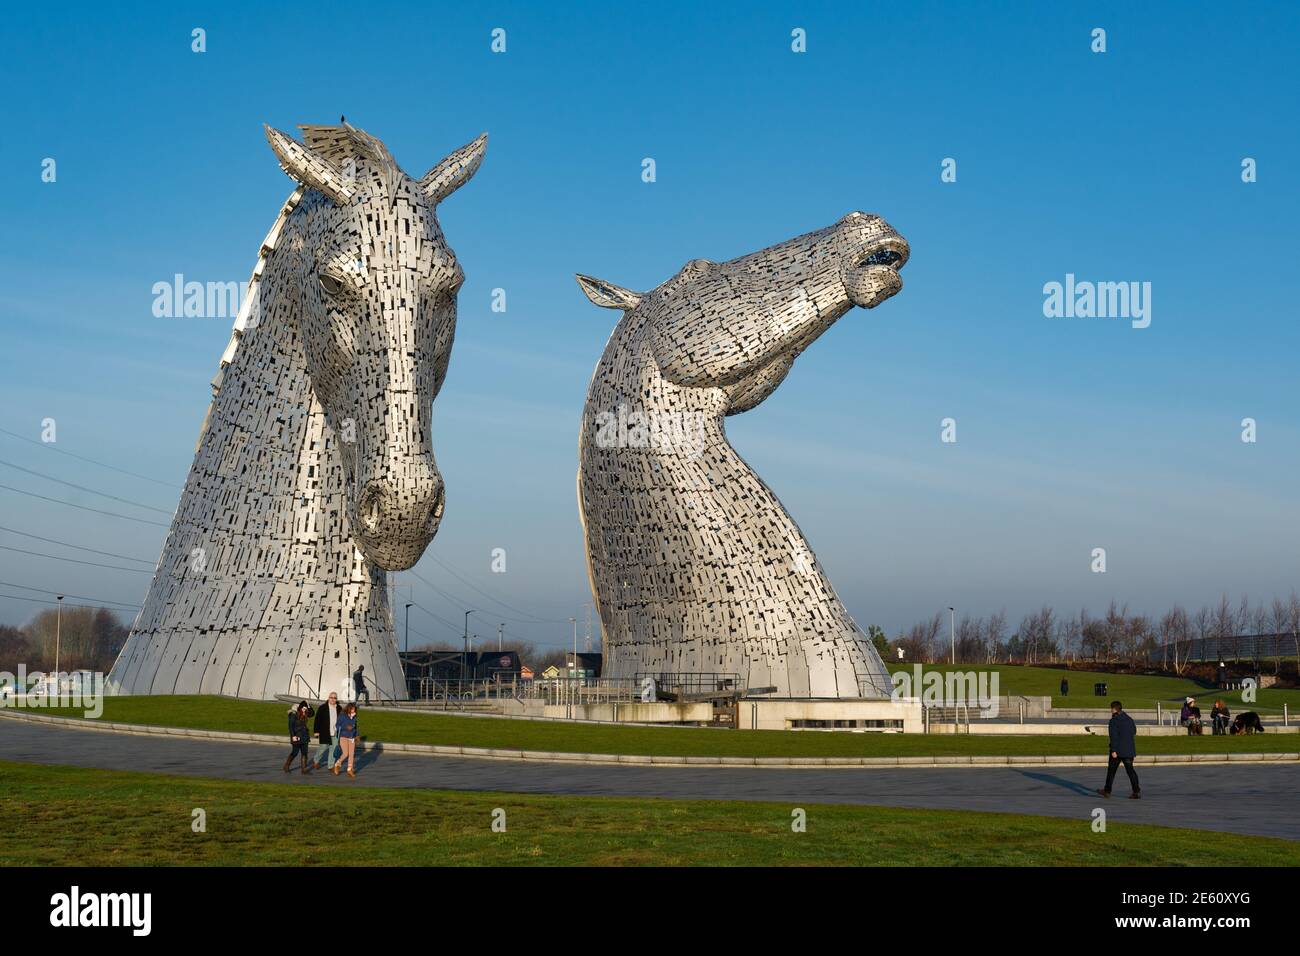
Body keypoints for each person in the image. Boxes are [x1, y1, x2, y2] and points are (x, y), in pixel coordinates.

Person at [1096, 700, 1140, 799]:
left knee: (1111, 771)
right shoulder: (1129, 719)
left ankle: (1107, 791)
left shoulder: (1114, 721)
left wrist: (1114, 750)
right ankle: (1136, 791)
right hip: (1129, 750)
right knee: (1130, 771)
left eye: (1111, 709)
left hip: (1118, 751)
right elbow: (1134, 731)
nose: (1110, 711)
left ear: (1114, 709)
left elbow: (1113, 737)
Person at [312, 691, 341, 770]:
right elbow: (317, 720)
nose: (333, 699)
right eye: (331, 697)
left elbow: (342, 719)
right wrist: (316, 731)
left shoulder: (339, 708)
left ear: (336, 699)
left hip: (335, 732)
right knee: (323, 747)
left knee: (333, 749)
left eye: (334, 698)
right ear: (328, 698)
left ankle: (331, 766)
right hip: (325, 732)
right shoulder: (322, 708)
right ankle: (315, 760)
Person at [284, 701, 314, 774]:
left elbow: (312, 713)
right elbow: (290, 726)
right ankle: (286, 766)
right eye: (303, 708)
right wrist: (293, 736)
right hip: (296, 736)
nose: (304, 710)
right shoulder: (294, 714)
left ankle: (303, 770)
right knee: (295, 752)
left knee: (304, 753)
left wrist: (308, 706)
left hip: (304, 736)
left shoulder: (306, 713)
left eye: (305, 708)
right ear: (300, 708)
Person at [332, 702, 360, 778]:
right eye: (352, 708)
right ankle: (337, 764)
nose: (354, 710)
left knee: (351, 754)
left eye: (354, 709)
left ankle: (349, 769)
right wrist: (345, 727)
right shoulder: (342, 716)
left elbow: (356, 727)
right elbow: (337, 726)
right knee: (345, 753)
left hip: (351, 737)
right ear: (348, 708)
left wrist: (357, 735)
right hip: (343, 736)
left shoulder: (354, 717)